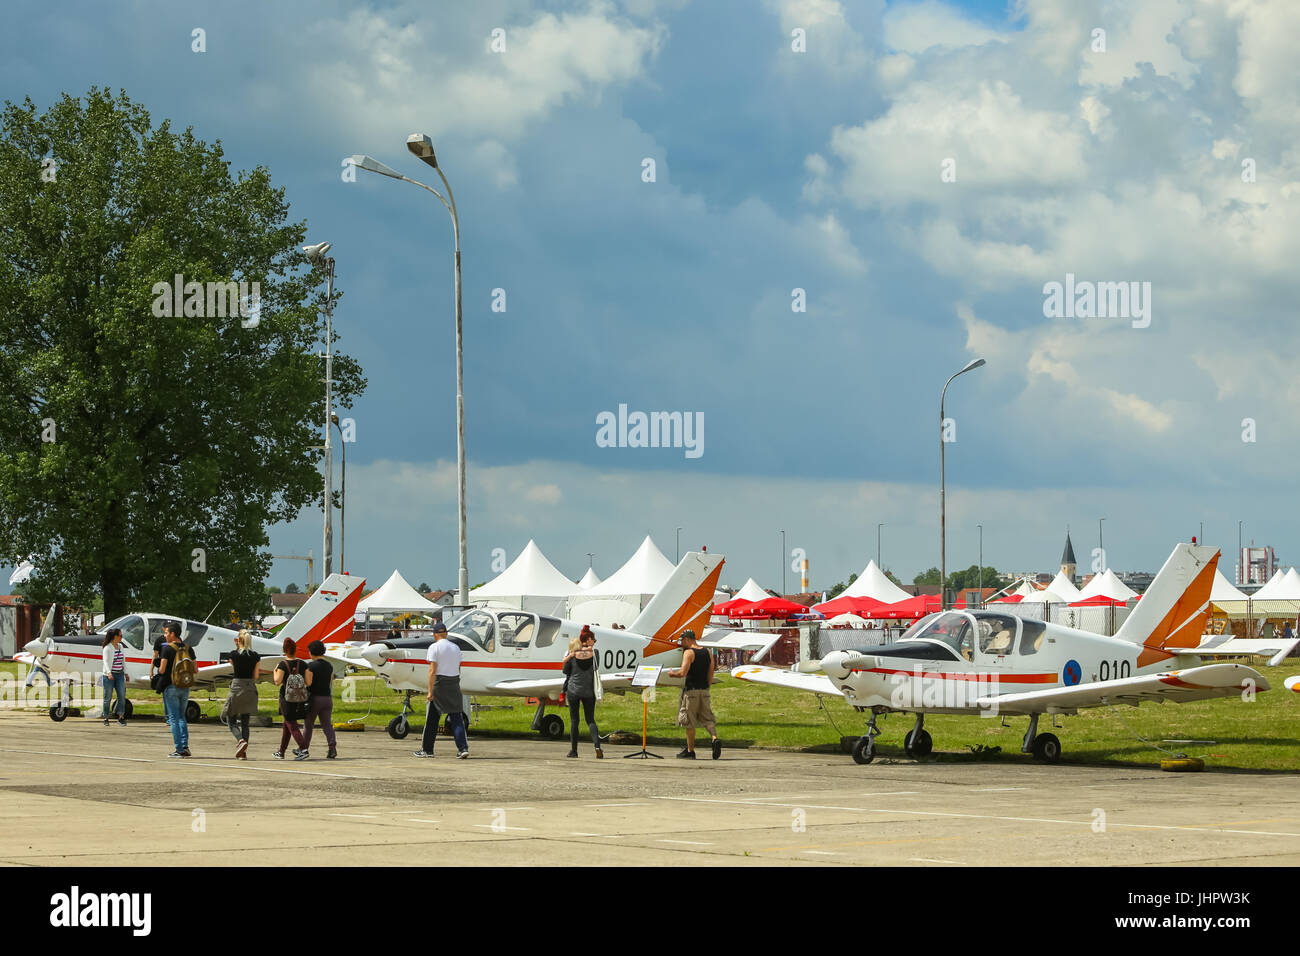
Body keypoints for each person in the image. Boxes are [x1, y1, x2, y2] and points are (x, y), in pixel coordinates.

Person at [413, 622, 468, 758]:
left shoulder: (434, 647)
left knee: (432, 719)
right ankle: (462, 748)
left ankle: (427, 750)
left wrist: (430, 691)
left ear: (435, 634)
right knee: (456, 717)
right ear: (446, 634)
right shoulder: (455, 647)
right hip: (454, 682)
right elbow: (459, 668)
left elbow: (432, 671)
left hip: (440, 683)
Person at [665, 629, 721, 759]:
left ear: (687, 639)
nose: (682, 643)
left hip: (691, 692)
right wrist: (707, 686)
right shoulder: (707, 652)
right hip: (704, 690)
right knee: (708, 719)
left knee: (689, 721)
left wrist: (672, 674)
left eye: (682, 640)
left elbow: (683, 673)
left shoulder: (689, 653)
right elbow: (711, 671)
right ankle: (714, 738)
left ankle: (690, 751)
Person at [561, 626, 603, 758]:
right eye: (594, 639)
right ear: (588, 639)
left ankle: (574, 750)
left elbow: (565, 671)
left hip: (573, 690)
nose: (594, 642)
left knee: (575, 721)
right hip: (589, 691)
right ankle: (597, 746)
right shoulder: (595, 654)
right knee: (590, 719)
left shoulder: (573, 654)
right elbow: (596, 667)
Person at [155, 622, 192, 757]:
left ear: (172, 634)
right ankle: (185, 746)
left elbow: (162, 670)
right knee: (182, 717)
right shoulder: (188, 648)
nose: (165, 635)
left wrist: (158, 666)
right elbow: (195, 669)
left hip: (171, 686)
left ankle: (179, 749)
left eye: (166, 633)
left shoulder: (167, 649)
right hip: (185, 686)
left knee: (174, 718)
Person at [225, 629, 261, 759]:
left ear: (238, 640)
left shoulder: (233, 655)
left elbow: (233, 664)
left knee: (231, 718)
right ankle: (243, 753)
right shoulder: (255, 656)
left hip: (237, 686)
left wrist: (237, 646)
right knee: (245, 722)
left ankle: (241, 740)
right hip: (250, 687)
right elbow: (256, 676)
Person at [300, 640, 338, 760]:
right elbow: (331, 680)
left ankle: (303, 748)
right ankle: (332, 748)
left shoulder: (311, 666)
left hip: (314, 698)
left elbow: (308, 682)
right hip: (327, 698)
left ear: (311, 652)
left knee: (308, 725)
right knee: (327, 725)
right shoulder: (329, 665)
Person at [272, 637, 309, 759]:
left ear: (284, 650)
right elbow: (308, 682)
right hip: (299, 698)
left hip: (286, 698)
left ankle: (303, 748)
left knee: (291, 724)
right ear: (295, 649)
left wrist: (275, 671)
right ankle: (281, 751)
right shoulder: (303, 664)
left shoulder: (283, 664)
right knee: (287, 724)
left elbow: (277, 681)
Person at [100, 628, 127, 726]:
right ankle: (106, 717)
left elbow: (123, 660)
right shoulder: (107, 648)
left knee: (122, 696)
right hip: (109, 676)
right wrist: (109, 673)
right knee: (108, 697)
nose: (121, 637)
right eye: (120, 635)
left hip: (119, 674)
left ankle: (121, 717)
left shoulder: (120, 646)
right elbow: (106, 662)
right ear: (114, 636)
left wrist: (126, 672)